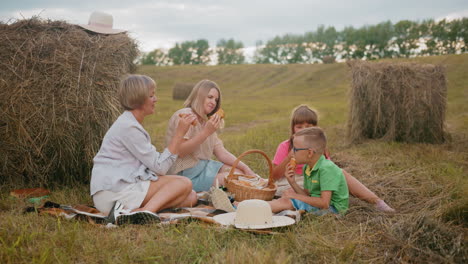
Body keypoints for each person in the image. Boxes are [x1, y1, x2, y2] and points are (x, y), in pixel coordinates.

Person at [90, 74, 198, 223]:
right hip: (113, 193)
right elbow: (160, 167)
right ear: (139, 99)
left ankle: (133, 212)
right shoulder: (129, 128)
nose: (156, 99)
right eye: (151, 96)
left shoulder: (129, 123)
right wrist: (179, 134)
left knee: (191, 197)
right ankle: (145, 212)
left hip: (121, 189)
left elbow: (154, 164)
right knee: (184, 183)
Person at [272, 105, 395, 212]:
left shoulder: (318, 148)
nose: (304, 130)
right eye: (299, 127)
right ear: (293, 128)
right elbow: (274, 177)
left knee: (341, 173)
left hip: (313, 180)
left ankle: (377, 202)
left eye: (308, 126)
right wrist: (289, 157)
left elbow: (328, 171)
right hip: (292, 180)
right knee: (289, 194)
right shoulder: (285, 146)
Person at [165, 80, 256, 192]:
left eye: (216, 100)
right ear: (199, 96)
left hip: (204, 168)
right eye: (210, 97)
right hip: (184, 174)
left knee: (239, 174)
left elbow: (221, 152)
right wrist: (206, 132)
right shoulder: (185, 115)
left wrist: (246, 169)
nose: (213, 102)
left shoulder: (206, 122)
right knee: (230, 180)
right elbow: (181, 151)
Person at [267, 127, 349, 215]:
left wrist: (295, 196)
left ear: (310, 153)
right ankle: (259, 208)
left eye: (295, 149)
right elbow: (306, 196)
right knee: (288, 199)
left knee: (289, 202)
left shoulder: (327, 168)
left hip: (334, 210)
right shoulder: (307, 167)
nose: (292, 153)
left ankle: (257, 209)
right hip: (320, 205)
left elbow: (324, 203)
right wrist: (292, 182)